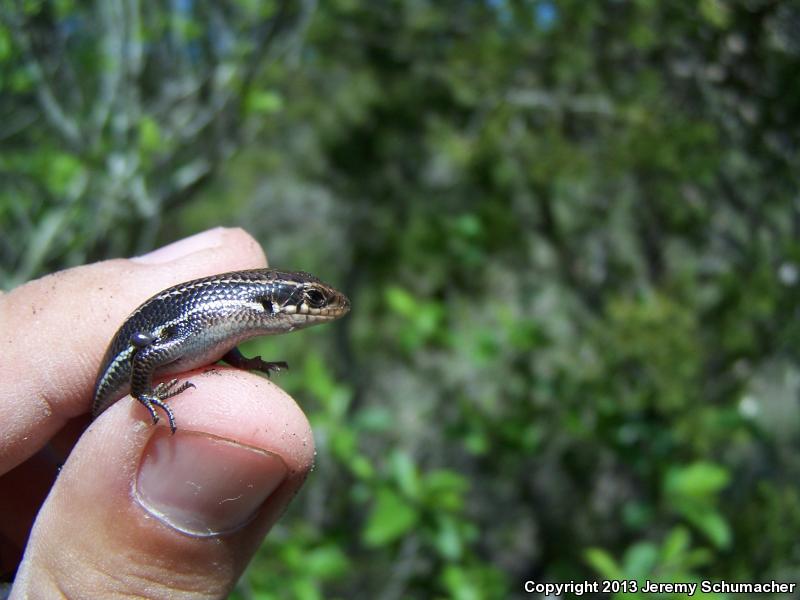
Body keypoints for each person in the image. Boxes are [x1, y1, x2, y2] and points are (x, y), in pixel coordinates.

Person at [0, 228, 315, 598]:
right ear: (271, 304)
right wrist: (143, 394)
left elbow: (221, 345)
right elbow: (146, 355)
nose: (322, 309)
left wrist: (242, 362)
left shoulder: (223, 322)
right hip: (106, 398)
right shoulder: (206, 316)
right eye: (313, 300)